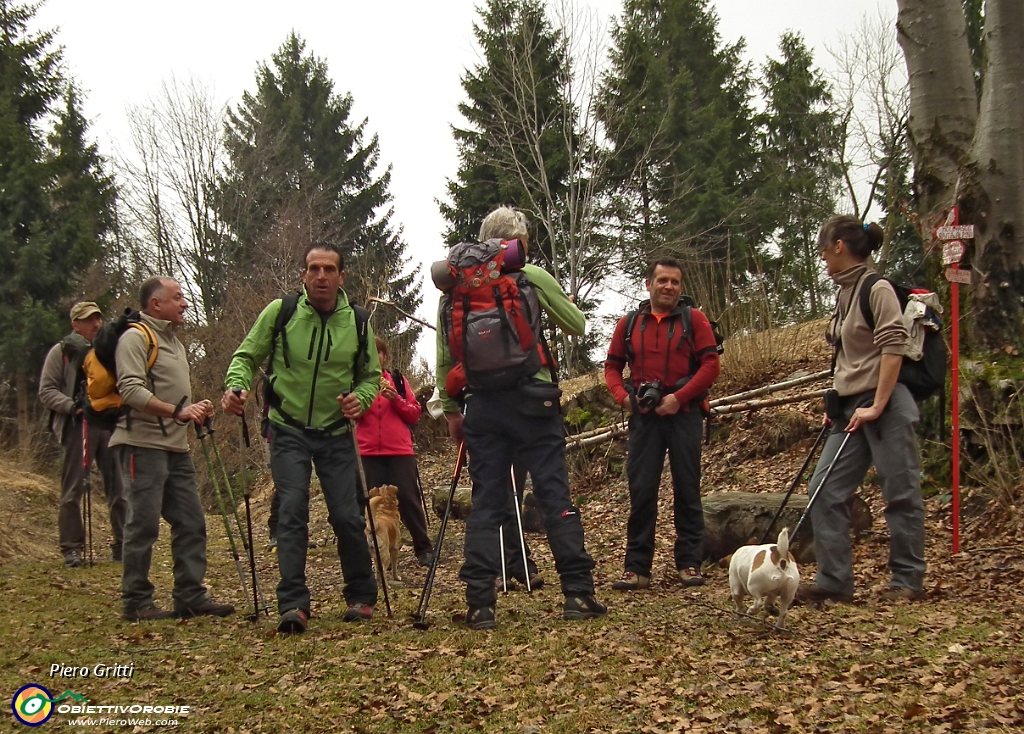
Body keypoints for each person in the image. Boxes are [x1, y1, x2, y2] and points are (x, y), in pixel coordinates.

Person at [437, 206, 606, 629]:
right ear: (517, 244)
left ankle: (480, 604)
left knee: (486, 503)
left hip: (484, 407)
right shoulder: (530, 278)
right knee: (554, 496)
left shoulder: (456, 289)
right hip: (536, 403)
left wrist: (453, 413)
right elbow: (578, 325)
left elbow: (445, 360)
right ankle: (578, 594)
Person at [222, 242, 382, 634]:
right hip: (288, 427)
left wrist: (359, 399)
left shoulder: (359, 322)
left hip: (336, 432)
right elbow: (247, 356)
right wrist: (236, 387)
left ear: (342, 277)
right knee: (291, 510)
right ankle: (293, 603)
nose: (321, 276)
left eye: (329, 269)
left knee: (347, 515)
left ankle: (361, 595)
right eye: (314, 269)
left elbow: (371, 376)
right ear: (304, 275)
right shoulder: (281, 313)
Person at [798, 216, 925, 604]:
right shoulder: (843, 293)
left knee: (900, 492)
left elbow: (893, 347)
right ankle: (834, 580)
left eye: (823, 249)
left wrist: (878, 404)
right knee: (823, 489)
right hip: (850, 408)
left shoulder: (877, 287)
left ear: (839, 246)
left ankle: (907, 581)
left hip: (885, 403)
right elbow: (849, 356)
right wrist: (837, 402)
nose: (821, 258)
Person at [111, 278, 234, 622]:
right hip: (141, 443)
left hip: (175, 446)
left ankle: (190, 595)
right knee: (143, 524)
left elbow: (170, 394)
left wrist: (194, 409)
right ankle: (136, 601)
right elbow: (130, 390)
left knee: (192, 521)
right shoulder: (135, 338)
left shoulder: (176, 343)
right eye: (177, 297)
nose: (184, 303)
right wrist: (178, 411)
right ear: (155, 305)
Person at [604, 258, 721, 590]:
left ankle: (689, 563)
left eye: (675, 282)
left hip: (684, 414)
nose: (669, 287)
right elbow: (612, 366)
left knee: (688, 488)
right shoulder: (629, 324)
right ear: (648, 285)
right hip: (644, 415)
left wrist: (680, 397)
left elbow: (710, 366)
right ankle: (637, 568)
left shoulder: (693, 319)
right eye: (663, 281)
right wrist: (623, 398)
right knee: (641, 490)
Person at [39, 302, 127, 567]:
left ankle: (123, 544)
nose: (96, 324)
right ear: (75, 325)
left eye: (98, 319)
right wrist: (72, 407)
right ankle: (72, 548)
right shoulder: (61, 352)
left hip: (108, 423)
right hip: (77, 425)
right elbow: (47, 390)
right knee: (73, 488)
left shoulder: (108, 350)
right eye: (89, 320)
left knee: (119, 487)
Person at [355, 336, 435, 567]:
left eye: (378, 353)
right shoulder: (358, 383)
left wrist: (396, 399)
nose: (375, 358)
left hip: (399, 450)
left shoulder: (398, 381)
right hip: (367, 451)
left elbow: (414, 413)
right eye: (370, 354)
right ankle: (366, 551)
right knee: (369, 503)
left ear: (385, 356)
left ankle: (423, 548)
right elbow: (350, 415)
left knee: (409, 498)